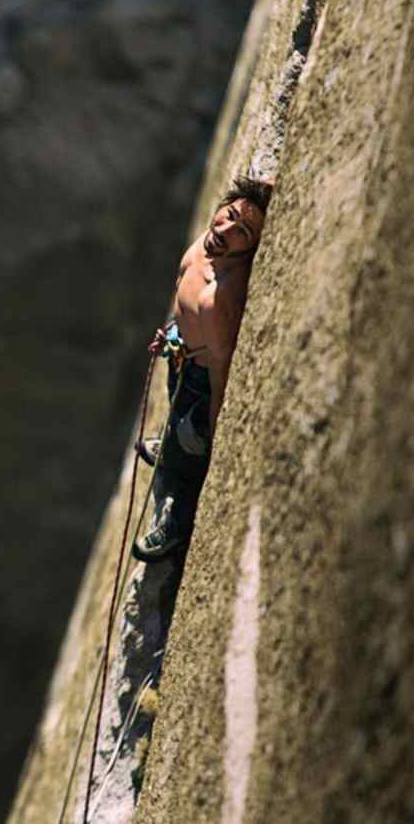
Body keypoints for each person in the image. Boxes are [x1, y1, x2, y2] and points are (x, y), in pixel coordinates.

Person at [131, 175, 272, 561]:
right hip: (181, 359)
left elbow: (221, 371)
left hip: (200, 383)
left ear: (251, 248)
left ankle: (176, 524)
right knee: (176, 423)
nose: (225, 230)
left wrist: (212, 427)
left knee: (185, 458)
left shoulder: (219, 296)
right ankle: (176, 441)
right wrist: (173, 336)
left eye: (241, 231)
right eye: (227, 216)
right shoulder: (204, 247)